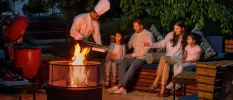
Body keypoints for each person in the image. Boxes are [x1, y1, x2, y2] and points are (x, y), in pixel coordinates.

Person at [108, 19, 155, 95]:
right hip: (134, 56)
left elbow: (145, 52)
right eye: (134, 26)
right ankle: (123, 89)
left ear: (141, 26)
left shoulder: (149, 35)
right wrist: (118, 44)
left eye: (136, 26)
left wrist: (131, 55)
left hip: (144, 57)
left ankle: (120, 86)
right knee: (122, 63)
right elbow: (128, 45)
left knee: (133, 65)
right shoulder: (134, 35)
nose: (134, 28)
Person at [143, 21, 187, 96]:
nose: (175, 30)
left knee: (163, 58)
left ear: (182, 28)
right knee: (166, 66)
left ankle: (156, 81)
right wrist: (149, 44)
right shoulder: (170, 34)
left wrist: (186, 59)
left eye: (177, 28)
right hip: (169, 58)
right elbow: (161, 44)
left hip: (178, 59)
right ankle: (163, 91)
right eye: (174, 28)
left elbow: (188, 51)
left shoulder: (186, 38)